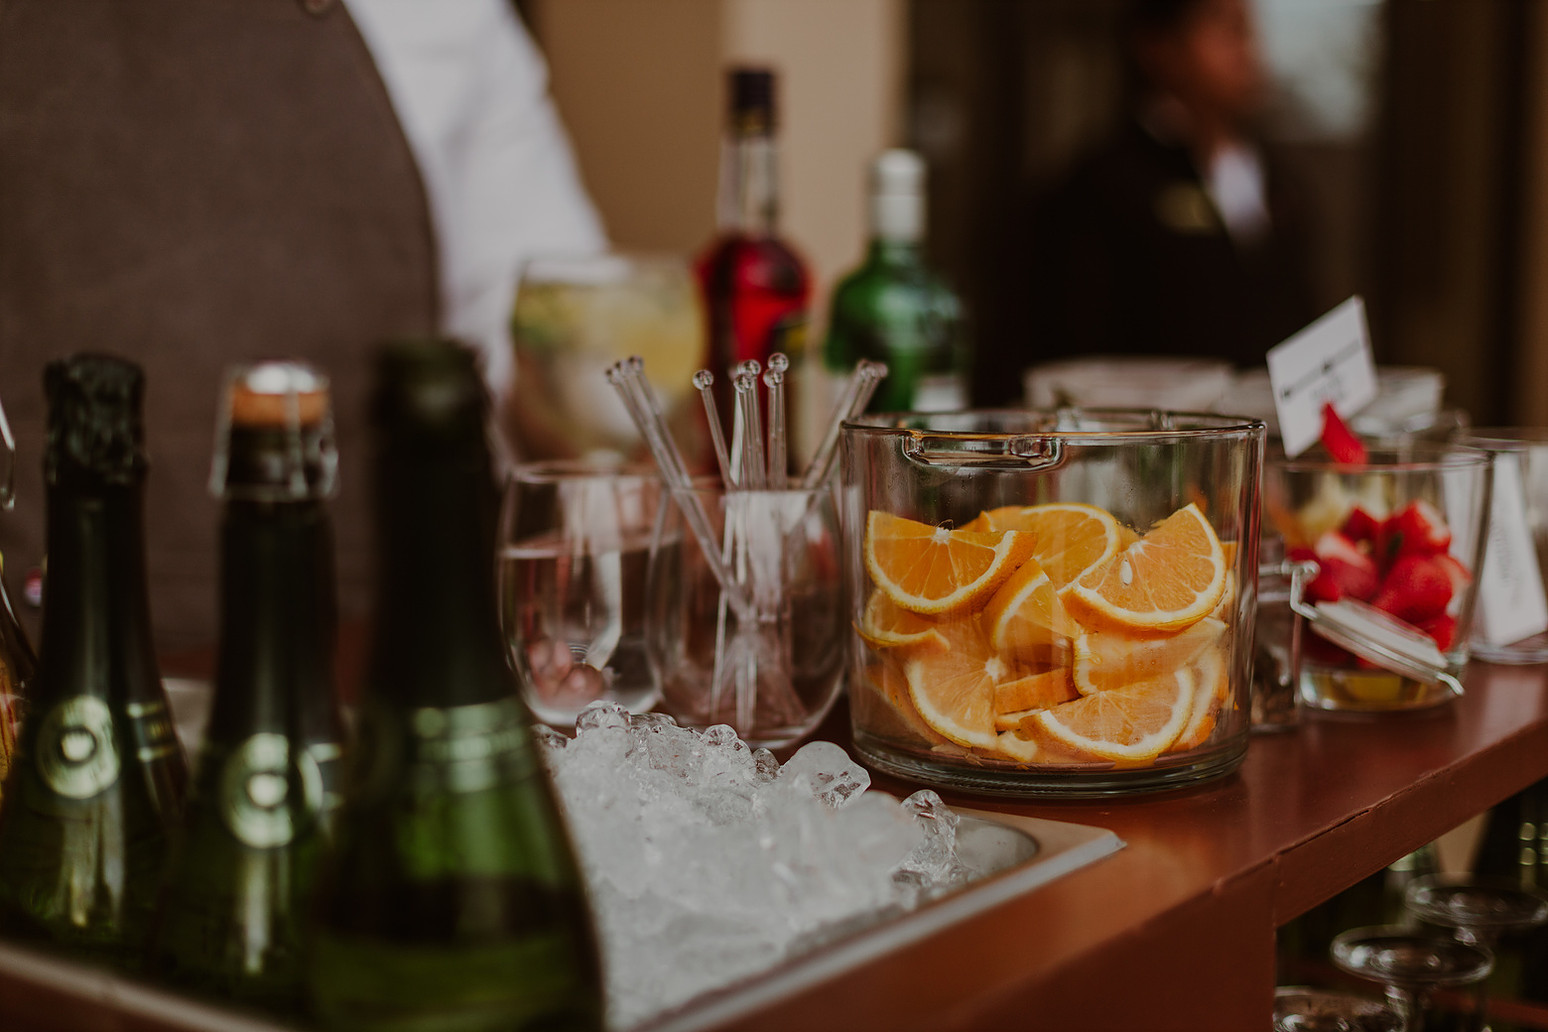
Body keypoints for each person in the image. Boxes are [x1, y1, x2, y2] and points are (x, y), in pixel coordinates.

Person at [0, 0, 604, 649]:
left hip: (368, 661)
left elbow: (548, 329)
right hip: (46, 660)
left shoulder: (446, 16)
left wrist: (597, 461)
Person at [992, 0, 1316, 404]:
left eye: (1248, 28)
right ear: (1158, 47)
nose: (1245, 46)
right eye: (1222, 26)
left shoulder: (1278, 180)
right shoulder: (1103, 186)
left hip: (1266, 437)